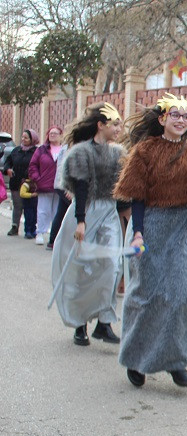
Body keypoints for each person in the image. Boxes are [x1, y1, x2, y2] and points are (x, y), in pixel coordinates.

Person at [113, 92, 187, 388]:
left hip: (182, 225)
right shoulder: (145, 150)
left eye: (186, 115)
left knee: (181, 295)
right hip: (150, 223)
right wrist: (136, 231)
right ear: (162, 119)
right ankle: (137, 358)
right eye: (175, 114)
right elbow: (135, 194)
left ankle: (175, 359)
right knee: (148, 295)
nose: (181, 120)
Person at [51, 103, 125, 346]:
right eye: (114, 123)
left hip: (109, 213)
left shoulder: (118, 153)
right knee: (81, 269)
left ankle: (104, 322)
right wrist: (80, 221)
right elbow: (81, 188)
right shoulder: (81, 152)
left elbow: (125, 188)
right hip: (86, 212)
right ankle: (80, 324)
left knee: (112, 264)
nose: (119, 128)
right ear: (100, 125)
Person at [29, 126, 63, 245]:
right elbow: (33, 165)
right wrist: (37, 179)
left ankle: (55, 235)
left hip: (60, 185)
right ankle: (40, 233)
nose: (52, 135)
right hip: (44, 185)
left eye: (55, 133)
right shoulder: (42, 150)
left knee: (57, 212)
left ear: (61, 135)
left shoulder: (64, 149)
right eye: (50, 133)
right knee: (43, 210)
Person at [4, 129, 39, 236]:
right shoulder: (16, 150)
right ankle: (15, 226)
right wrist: (7, 169)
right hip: (16, 182)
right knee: (17, 205)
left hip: (31, 184)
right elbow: (8, 162)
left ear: (32, 139)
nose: (23, 139)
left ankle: (30, 229)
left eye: (26, 138)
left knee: (30, 207)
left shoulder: (37, 152)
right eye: (22, 137)